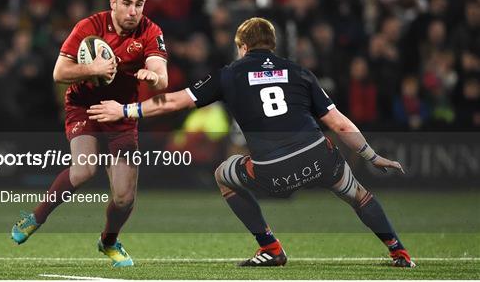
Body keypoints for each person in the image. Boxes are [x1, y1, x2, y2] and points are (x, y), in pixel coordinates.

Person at [87, 17, 416, 268]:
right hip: (319, 157)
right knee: (359, 195)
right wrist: (372, 156)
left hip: (272, 170)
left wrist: (126, 108)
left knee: (223, 173)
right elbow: (338, 122)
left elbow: (174, 102)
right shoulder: (299, 71)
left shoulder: (230, 73)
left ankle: (269, 246)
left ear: (242, 46)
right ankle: (398, 250)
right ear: (272, 45)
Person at [11, 0, 168, 267]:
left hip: (121, 113)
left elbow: (161, 75)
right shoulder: (89, 26)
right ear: (113, 3)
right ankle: (35, 217)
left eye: (139, 4)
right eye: (127, 3)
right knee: (83, 170)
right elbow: (59, 73)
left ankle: (108, 241)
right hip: (85, 107)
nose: (133, 11)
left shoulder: (150, 30)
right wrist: (91, 68)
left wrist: (154, 76)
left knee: (124, 199)